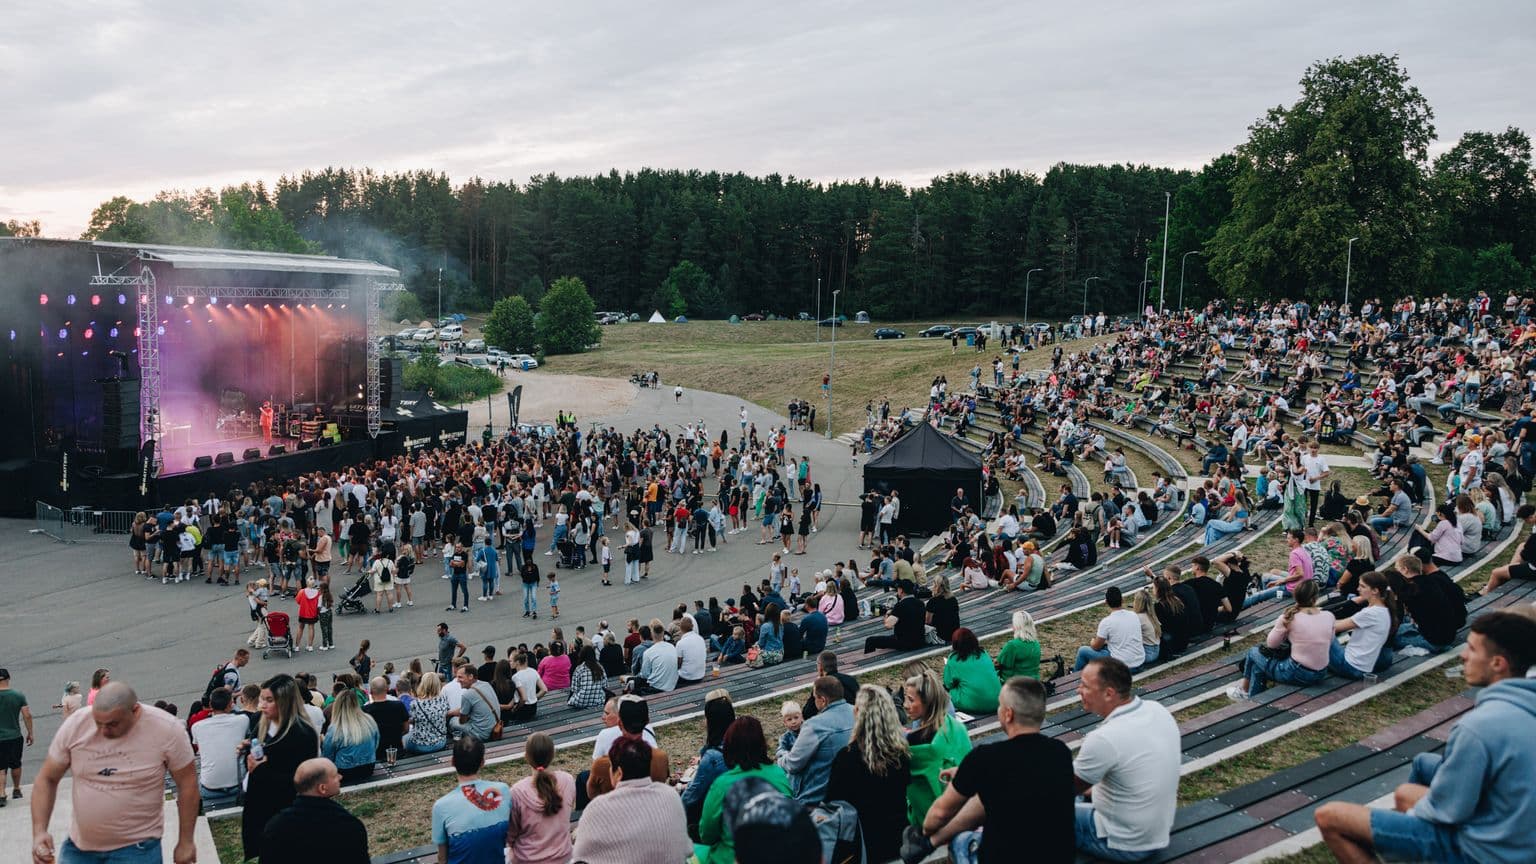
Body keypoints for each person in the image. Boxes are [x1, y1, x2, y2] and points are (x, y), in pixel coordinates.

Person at [1315, 610, 1536, 864]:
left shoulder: (1480, 728)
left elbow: (1447, 810)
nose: (1463, 655)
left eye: (1472, 650)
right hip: (1518, 839)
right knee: (1411, 784)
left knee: (1330, 817)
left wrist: (1406, 825)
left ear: (1498, 663)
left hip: (1483, 852)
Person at [29, 682, 199, 864]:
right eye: (98, 722)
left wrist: (186, 841)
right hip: (79, 850)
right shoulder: (77, 724)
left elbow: (187, 783)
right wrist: (40, 831)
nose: (103, 730)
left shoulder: (167, 730)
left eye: (112, 724)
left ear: (135, 711)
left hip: (137, 852)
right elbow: (47, 779)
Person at [914, 677, 1075, 864]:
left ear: (1008, 714)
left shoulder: (985, 758)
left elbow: (940, 814)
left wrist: (924, 833)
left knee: (960, 841)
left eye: (1000, 705)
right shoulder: (1059, 752)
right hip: (1058, 857)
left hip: (1001, 857)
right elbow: (1022, 774)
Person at [1073, 658, 1180, 861]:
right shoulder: (1157, 710)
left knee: (1038, 811)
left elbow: (1059, 792)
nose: (1078, 690)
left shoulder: (1104, 738)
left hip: (1124, 843)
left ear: (1109, 693)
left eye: (1085, 686)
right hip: (1155, 830)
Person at [823, 684, 912, 861]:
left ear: (857, 713)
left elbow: (834, 804)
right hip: (899, 837)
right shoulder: (902, 754)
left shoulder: (847, 758)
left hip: (863, 844)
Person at [572, 736, 692, 864]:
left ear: (619, 773)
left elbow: (580, 856)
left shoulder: (598, 807)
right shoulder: (670, 796)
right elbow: (686, 849)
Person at [240, 674, 320, 860]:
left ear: (284, 702)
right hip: (260, 808)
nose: (262, 705)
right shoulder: (261, 723)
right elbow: (258, 756)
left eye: (269, 700)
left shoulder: (303, 734)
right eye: (262, 699)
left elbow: (301, 781)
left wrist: (260, 771)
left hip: (285, 814)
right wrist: (247, 750)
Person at [699, 717, 794, 864]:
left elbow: (707, 834)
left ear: (730, 746)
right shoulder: (778, 774)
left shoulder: (722, 784)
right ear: (762, 743)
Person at [1226, 579, 1334, 700]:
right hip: (1321, 672)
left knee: (1253, 652)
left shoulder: (1288, 618)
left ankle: (1244, 690)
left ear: (1296, 596)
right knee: (1258, 666)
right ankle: (1253, 697)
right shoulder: (1328, 616)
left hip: (1297, 673)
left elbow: (1271, 644)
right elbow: (1330, 639)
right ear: (1315, 598)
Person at [259, 757, 370, 864]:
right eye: (335, 775)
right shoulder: (348, 826)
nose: (340, 777)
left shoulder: (275, 827)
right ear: (322, 788)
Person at [903, 669, 972, 826]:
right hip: (966, 806)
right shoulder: (955, 726)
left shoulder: (915, 742)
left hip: (931, 818)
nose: (906, 706)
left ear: (927, 702)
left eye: (911, 700)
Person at [431, 736, 511, 864]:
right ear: (482, 763)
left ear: (452, 762)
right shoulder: (504, 790)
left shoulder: (441, 806)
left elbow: (442, 857)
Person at [778, 676, 854, 803]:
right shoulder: (859, 712)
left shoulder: (814, 725)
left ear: (822, 700)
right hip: (852, 784)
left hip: (818, 795)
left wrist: (781, 757)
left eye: (814, 697)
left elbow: (793, 764)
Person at [506, 732, 575, 864]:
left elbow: (511, 836)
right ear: (552, 755)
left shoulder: (517, 791)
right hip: (562, 856)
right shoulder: (567, 780)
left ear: (526, 756)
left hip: (527, 859)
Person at [1329, 570, 1398, 679]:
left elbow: (1335, 627)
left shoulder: (1370, 613)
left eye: (1363, 586)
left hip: (1350, 666)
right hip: (1363, 666)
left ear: (1375, 591)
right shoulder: (1385, 610)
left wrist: (1318, 619)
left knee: (1320, 631)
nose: (1358, 589)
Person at [189, 687, 247, 801]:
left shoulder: (197, 727)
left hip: (209, 789)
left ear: (210, 704)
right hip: (238, 786)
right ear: (231, 704)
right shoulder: (243, 720)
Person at [1073, 586, 1145, 672]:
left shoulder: (1107, 622)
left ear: (1106, 602)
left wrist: (1092, 642)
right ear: (1122, 600)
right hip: (1139, 661)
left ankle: (1074, 675)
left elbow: (1096, 647)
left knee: (1083, 651)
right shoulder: (1134, 615)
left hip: (1123, 666)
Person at [322, 690, 379, 785]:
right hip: (368, 768)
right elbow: (376, 743)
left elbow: (328, 757)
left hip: (344, 772)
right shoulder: (369, 720)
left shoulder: (335, 729)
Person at [944, 627, 1002, 714]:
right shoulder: (983, 653)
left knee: (948, 693)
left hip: (974, 704)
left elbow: (948, 683)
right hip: (998, 701)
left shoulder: (953, 659)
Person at [863, 579, 927, 653]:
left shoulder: (900, 605)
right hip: (920, 641)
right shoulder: (920, 603)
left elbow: (888, 625)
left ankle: (870, 660)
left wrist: (888, 614)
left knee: (870, 640)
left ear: (901, 590)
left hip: (905, 643)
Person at [0, 668, 34, 808]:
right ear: (8, 678)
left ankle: (1, 793)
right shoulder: (18, 695)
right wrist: (30, 733)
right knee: (16, 764)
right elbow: (27, 715)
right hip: (15, 736)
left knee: (0, 767)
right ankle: (16, 789)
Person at [446, 665, 500, 742]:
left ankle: (457, 738)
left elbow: (462, 721)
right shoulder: (486, 684)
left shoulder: (467, 694)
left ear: (471, 676)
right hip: (495, 729)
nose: (457, 680)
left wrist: (449, 714)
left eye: (460, 677)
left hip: (482, 735)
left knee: (453, 721)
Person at [362, 677, 408, 763]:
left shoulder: (365, 710)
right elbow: (406, 729)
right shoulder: (399, 705)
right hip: (397, 751)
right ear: (387, 689)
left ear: (371, 691)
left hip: (376, 754)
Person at [995, 610, 1042, 681]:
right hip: (1034, 682)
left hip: (1014, 685)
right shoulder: (1036, 644)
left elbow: (999, 663)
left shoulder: (1012, 645)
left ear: (1017, 626)